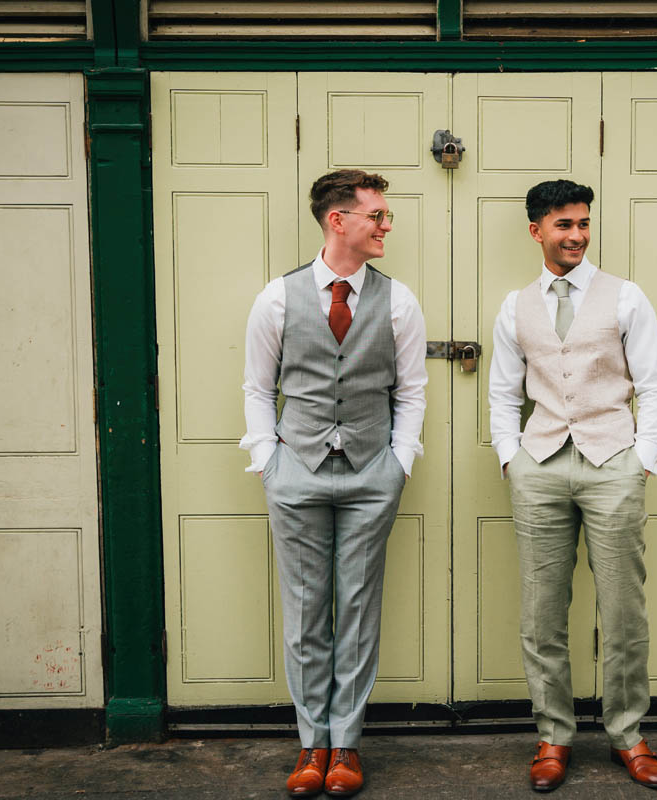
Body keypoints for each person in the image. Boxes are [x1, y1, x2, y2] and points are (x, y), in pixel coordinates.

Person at [240, 169, 427, 797]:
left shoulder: (398, 300)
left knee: (356, 608)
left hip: (373, 471)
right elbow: (258, 387)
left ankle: (345, 743)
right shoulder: (277, 297)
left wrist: (400, 461)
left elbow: (412, 389)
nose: (386, 225)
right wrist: (269, 460)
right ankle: (309, 745)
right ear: (337, 220)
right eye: (376, 214)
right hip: (297, 472)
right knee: (304, 611)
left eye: (385, 214)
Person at [488, 180, 657, 792]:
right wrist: (511, 457)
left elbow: (654, 382)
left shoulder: (625, 297)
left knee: (623, 607)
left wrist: (642, 455)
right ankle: (553, 736)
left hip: (612, 460)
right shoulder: (515, 306)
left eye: (583, 224)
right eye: (563, 225)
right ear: (536, 230)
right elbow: (503, 391)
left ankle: (629, 733)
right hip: (540, 464)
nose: (576, 235)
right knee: (543, 611)